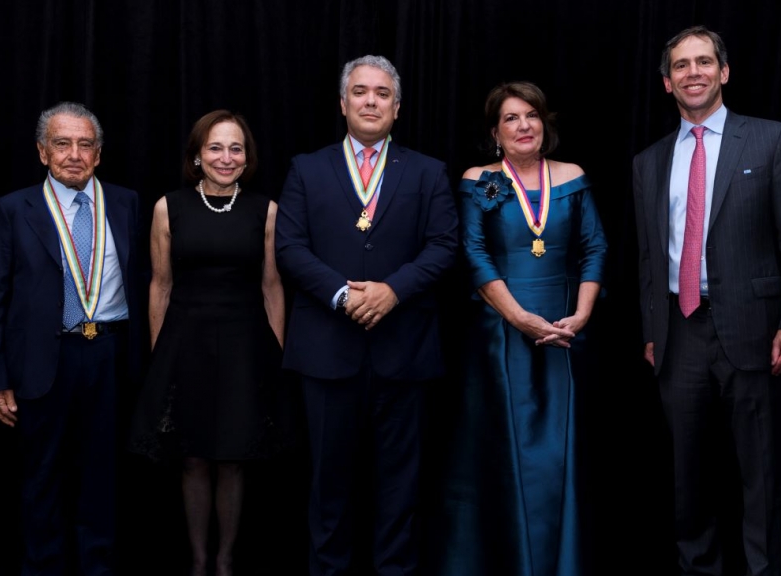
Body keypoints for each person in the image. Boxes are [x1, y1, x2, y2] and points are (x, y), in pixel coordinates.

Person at [632, 25, 781, 576]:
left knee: (760, 473)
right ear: (667, 82)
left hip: (755, 330)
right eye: (682, 65)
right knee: (689, 476)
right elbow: (647, 256)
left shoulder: (772, 139)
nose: (694, 72)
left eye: (704, 61)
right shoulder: (647, 162)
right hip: (679, 330)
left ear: (724, 71)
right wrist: (650, 329)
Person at [275, 55, 458, 576]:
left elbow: (444, 247)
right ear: (342, 103)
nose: (370, 101)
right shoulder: (306, 168)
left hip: (405, 354)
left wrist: (392, 292)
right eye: (360, 92)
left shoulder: (427, 172)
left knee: (400, 491)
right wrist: (343, 295)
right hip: (327, 356)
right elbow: (289, 248)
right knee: (327, 490)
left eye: (382, 93)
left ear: (397, 109)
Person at [434, 81, 607, 576]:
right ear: (495, 131)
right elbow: (472, 252)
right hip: (500, 336)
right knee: (504, 457)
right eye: (511, 118)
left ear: (544, 124)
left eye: (530, 115)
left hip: (565, 333)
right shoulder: (477, 179)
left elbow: (595, 248)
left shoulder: (572, 176)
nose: (523, 125)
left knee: (558, 458)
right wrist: (518, 318)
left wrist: (583, 314)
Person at [0, 101, 144, 575]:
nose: (74, 154)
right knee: (43, 478)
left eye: (84, 144)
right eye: (62, 143)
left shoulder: (127, 202)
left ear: (97, 154)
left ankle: (98, 566)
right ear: (42, 152)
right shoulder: (14, 208)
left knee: (103, 475)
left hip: (108, 356)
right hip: (43, 359)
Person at [128, 110, 285, 576]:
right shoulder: (167, 207)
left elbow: (272, 286)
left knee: (234, 458)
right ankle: (198, 562)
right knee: (193, 458)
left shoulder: (266, 210)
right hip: (185, 345)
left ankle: (225, 563)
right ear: (197, 155)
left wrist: (276, 354)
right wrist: (160, 356)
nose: (226, 157)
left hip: (244, 348)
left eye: (235, 148)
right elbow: (160, 284)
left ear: (247, 157)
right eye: (215, 147)